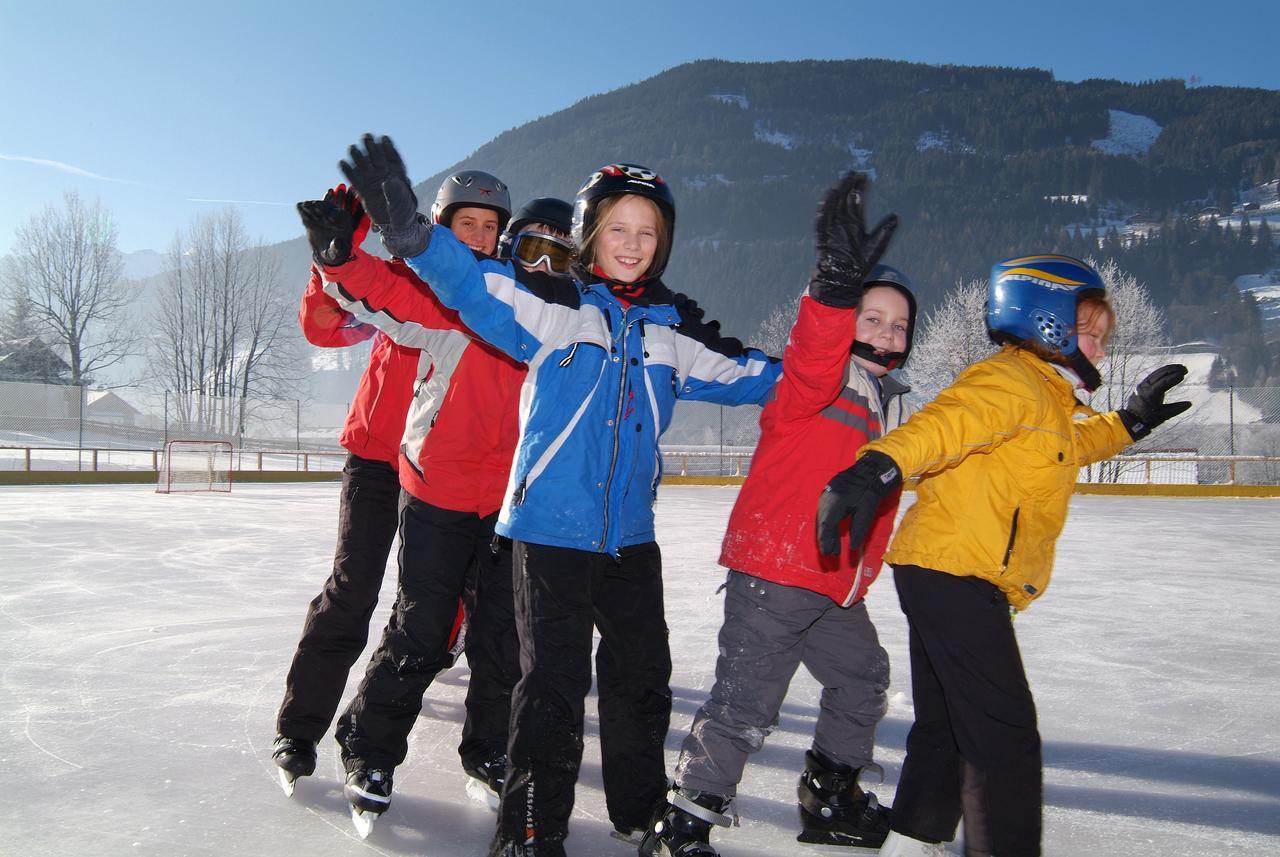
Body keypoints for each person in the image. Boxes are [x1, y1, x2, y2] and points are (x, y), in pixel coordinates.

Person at [334, 134, 785, 857]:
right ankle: (531, 831)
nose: (632, 244)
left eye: (647, 232)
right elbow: (471, 286)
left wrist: (834, 327)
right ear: (591, 236)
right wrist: (412, 234)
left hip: (630, 534)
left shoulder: (676, 325)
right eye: (617, 229)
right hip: (548, 531)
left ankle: (639, 813)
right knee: (551, 686)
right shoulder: (559, 307)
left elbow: (765, 376)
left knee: (643, 676)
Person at [815, 254, 1192, 857]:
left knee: (947, 726)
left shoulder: (1045, 396)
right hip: (955, 571)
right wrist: (880, 465)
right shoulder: (1009, 381)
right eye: (1087, 330)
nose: (1099, 346)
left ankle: (915, 839)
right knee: (1005, 737)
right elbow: (947, 423)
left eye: (1102, 335)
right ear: (1044, 320)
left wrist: (1130, 422)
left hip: (943, 567)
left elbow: (1071, 442)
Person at [642, 173, 914, 857]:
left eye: (899, 323)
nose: (885, 331)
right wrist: (831, 291)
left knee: (863, 677)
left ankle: (830, 794)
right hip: (775, 569)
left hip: (831, 583)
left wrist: (863, 571)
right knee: (745, 702)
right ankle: (685, 823)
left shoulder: (887, 404)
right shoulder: (818, 382)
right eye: (871, 317)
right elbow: (816, 350)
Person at [297, 170, 530, 836]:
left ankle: (487, 750)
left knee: (497, 632)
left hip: (495, 493)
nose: (480, 238)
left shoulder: (514, 296)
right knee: (398, 614)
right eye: (467, 224)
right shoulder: (420, 283)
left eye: (491, 227)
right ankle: (342, 739)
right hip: (407, 468)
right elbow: (346, 308)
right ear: (437, 224)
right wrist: (335, 256)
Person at [271, 185, 419, 796]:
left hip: (442, 468)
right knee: (352, 589)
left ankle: (369, 734)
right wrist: (336, 250)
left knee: (426, 609)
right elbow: (324, 325)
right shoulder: (387, 282)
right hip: (377, 457)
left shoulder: (478, 293)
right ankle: (299, 728)